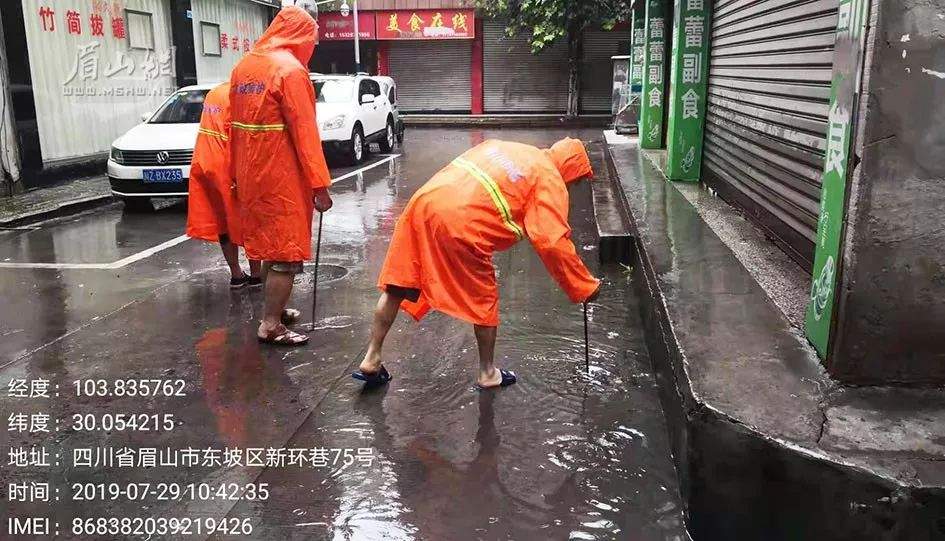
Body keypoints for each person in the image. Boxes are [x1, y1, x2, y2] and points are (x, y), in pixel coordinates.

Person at [354, 137, 601, 389]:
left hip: (424, 203)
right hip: (462, 223)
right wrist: (583, 286)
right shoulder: (549, 179)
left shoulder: (512, 147)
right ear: (571, 170)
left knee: (398, 283)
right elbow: (551, 241)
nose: (573, 186)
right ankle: (488, 373)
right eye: (578, 180)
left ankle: (371, 357)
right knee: (484, 299)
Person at [229, 5, 332, 346]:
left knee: (265, 246)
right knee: (286, 255)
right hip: (280, 178)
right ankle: (271, 324)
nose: (312, 47)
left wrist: (233, 174)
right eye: (312, 40)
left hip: (250, 176)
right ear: (300, 36)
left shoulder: (244, 67)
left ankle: (276, 308)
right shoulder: (290, 71)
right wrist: (320, 186)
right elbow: (305, 134)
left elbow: (233, 129)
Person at [185, 82, 262, 289]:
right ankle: (256, 275)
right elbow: (242, 136)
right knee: (247, 220)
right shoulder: (240, 96)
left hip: (205, 160)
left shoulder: (215, 93)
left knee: (223, 220)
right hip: (226, 162)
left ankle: (236, 274)